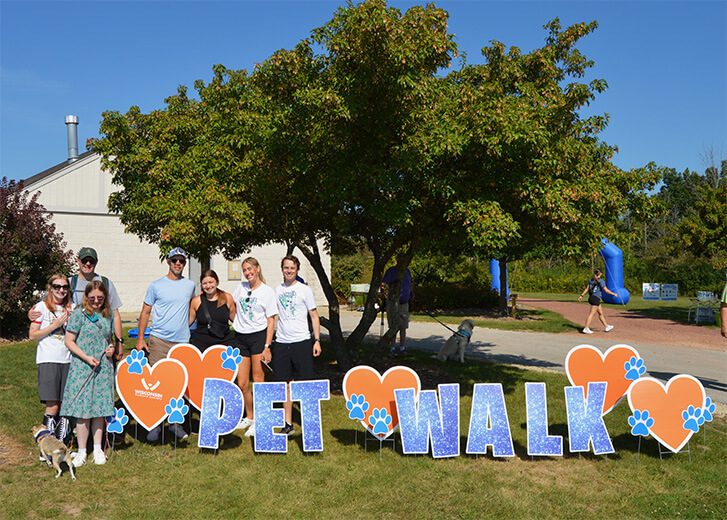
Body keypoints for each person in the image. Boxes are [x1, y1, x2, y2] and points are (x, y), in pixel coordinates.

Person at [136, 247, 196, 441]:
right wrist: (140, 339)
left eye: (181, 261)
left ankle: (175, 424)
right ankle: (155, 424)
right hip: (159, 341)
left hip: (181, 342)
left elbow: (191, 309)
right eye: (174, 260)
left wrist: (184, 326)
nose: (178, 264)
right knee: (157, 384)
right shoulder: (156, 285)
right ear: (168, 262)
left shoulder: (190, 285)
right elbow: (145, 312)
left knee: (178, 383)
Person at [28, 247, 124, 361]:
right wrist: (31, 313)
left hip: (102, 341)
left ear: (96, 262)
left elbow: (115, 315)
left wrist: (119, 342)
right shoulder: (68, 283)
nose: (88, 264)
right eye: (84, 260)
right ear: (78, 261)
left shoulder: (106, 283)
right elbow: (48, 302)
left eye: (91, 261)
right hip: (76, 342)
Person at [61, 281, 116, 466]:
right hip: (83, 367)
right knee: (83, 412)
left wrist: (110, 349)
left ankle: (98, 448)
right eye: (92, 298)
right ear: (86, 297)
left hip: (102, 368)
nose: (96, 301)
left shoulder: (107, 315)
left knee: (99, 410)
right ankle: (82, 450)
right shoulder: (79, 315)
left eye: (100, 298)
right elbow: (69, 341)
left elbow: (109, 340)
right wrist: (86, 357)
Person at [273, 255, 321, 435]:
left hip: (302, 341)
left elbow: (314, 316)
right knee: (285, 384)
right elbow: (271, 316)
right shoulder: (277, 290)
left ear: (297, 269)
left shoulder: (305, 290)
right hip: (282, 343)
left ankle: (310, 424)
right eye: (286, 267)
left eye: (292, 268)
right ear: (282, 269)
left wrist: (316, 340)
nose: (289, 270)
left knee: (305, 384)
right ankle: (288, 423)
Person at [231, 257, 277, 438]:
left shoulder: (267, 292)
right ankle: (249, 417)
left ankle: (261, 420)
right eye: (244, 270)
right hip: (240, 338)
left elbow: (271, 320)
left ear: (257, 269)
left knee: (259, 381)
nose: (247, 272)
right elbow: (231, 305)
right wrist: (236, 322)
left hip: (259, 338)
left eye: (250, 269)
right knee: (242, 383)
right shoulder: (240, 288)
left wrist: (267, 346)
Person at [28, 274, 73, 444]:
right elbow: (32, 335)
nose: (61, 290)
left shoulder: (72, 308)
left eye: (64, 287)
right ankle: (45, 440)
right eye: (57, 286)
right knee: (53, 404)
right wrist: (54, 326)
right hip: (49, 359)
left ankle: (63, 439)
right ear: (50, 288)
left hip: (69, 360)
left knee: (66, 403)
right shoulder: (41, 307)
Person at [189, 270, 235, 351]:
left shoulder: (227, 298)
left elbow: (236, 320)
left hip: (224, 345)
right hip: (201, 346)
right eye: (205, 283)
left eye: (211, 282)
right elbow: (188, 322)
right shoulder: (196, 301)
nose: (208, 286)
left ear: (216, 282)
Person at [381, 264, 413, 354]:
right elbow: (383, 284)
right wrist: (384, 295)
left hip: (405, 303)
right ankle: (392, 348)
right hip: (393, 303)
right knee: (393, 326)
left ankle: (402, 347)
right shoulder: (391, 271)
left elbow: (410, 284)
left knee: (403, 326)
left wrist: (411, 294)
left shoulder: (407, 271)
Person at [578, 269, 618, 334]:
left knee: (600, 313)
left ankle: (606, 326)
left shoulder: (591, 280)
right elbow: (606, 290)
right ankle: (586, 328)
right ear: (599, 274)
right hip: (595, 299)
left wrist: (581, 296)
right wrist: (614, 294)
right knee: (592, 314)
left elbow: (587, 289)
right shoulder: (601, 281)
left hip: (591, 298)